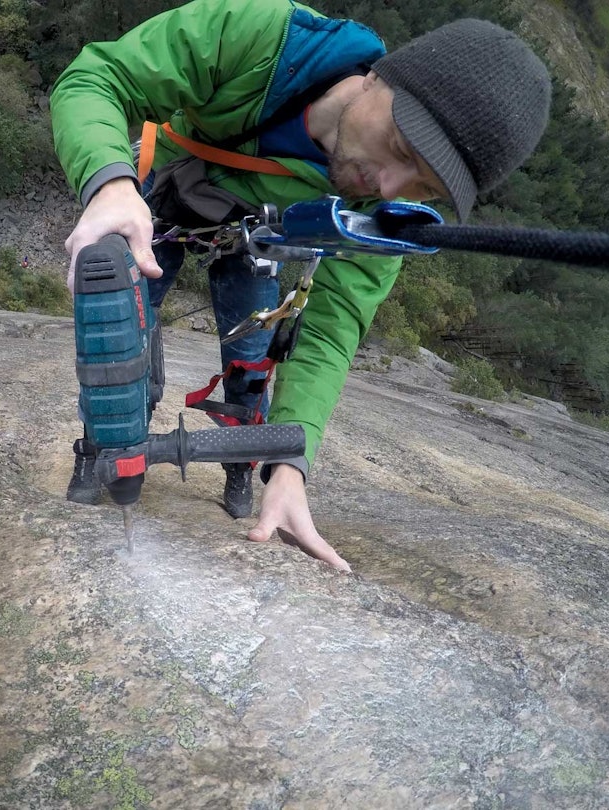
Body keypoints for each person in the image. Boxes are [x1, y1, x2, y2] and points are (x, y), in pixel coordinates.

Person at [51, 0, 551, 572]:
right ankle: (103, 443)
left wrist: (291, 461)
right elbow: (99, 77)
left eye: (425, 188)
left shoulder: (386, 214)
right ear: (378, 77)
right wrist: (109, 183)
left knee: (251, 359)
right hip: (163, 191)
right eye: (401, 148)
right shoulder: (265, 37)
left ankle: (244, 462)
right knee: (115, 317)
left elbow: (331, 328)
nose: (390, 188)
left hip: (256, 237)